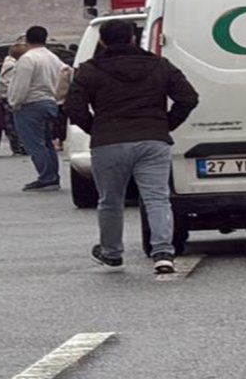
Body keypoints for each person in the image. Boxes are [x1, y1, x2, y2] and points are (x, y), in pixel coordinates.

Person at [64, 19, 199, 275]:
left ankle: (112, 253)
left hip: (108, 142)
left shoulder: (89, 70)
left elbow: (73, 108)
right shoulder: (160, 65)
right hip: (152, 140)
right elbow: (188, 98)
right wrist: (165, 124)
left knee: (110, 201)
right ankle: (162, 252)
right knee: (156, 198)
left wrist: (96, 128)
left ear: (102, 41)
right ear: (133, 39)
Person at [6, 26, 69, 192]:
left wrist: (14, 103)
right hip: (50, 102)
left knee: (34, 144)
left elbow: (21, 85)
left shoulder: (27, 59)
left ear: (27, 39)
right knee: (48, 143)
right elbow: (67, 72)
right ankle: (53, 176)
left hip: (31, 104)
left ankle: (45, 178)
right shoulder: (53, 57)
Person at [0, 43, 28, 156]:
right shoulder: (12, 66)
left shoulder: (9, 64)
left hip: (7, 97)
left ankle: (18, 146)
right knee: (14, 124)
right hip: (11, 98)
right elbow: (10, 83)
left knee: (12, 124)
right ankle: (19, 147)